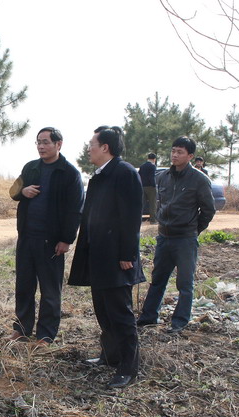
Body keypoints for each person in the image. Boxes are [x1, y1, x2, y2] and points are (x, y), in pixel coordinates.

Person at [69, 126, 145, 389]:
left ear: (105, 147)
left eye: (92, 144)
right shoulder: (100, 175)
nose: (89, 148)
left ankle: (128, 368)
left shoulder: (125, 173)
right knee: (103, 310)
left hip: (117, 258)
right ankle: (110, 356)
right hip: (99, 256)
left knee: (120, 314)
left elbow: (131, 217)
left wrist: (127, 254)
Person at [8, 127, 84, 345]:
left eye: (45, 142)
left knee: (50, 290)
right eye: (38, 142)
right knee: (24, 286)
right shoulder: (30, 167)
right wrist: (23, 192)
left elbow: (75, 210)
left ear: (58, 144)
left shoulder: (69, 173)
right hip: (27, 237)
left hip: (51, 242)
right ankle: (21, 329)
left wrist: (66, 239)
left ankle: (45, 334)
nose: (41, 146)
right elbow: (13, 191)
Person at [137, 137, 216, 333]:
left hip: (185, 239)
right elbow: (160, 203)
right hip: (164, 237)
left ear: (190, 156)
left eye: (180, 152)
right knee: (158, 279)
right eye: (173, 151)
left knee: (185, 283)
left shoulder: (199, 179)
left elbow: (208, 210)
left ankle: (179, 322)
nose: (174, 155)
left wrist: (194, 229)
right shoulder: (163, 177)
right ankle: (148, 317)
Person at [139, 153, 157, 224]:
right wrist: (154, 185)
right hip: (150, 187)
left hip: (142, 186)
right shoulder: (153, 166)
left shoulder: (142, 166)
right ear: (154, 159)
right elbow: (152, 177)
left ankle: (139, 220)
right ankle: (153, 220)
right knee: (152, 204)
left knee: (142, 204)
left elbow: (139, 175)